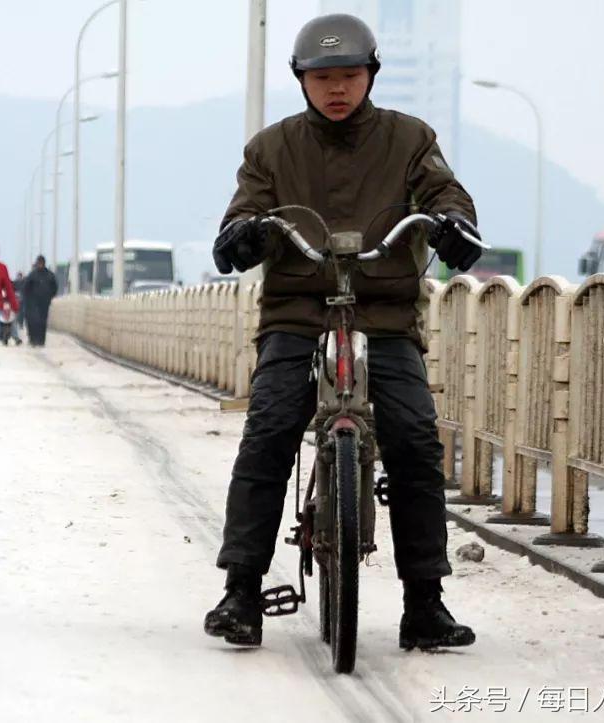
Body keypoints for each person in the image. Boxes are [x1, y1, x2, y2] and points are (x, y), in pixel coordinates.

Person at [204, 13, 482, 651]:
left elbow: (444, 192)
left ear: (371, 76)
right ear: (301, 81)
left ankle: (425, 603)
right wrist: (244, 231)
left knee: (415, 438)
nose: (336, 89)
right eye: (322, 77)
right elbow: (243, 210)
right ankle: (241, 589)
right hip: (297, 313)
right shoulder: (271, 149)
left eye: (349, 76)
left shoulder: (410, 139)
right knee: (270, 430)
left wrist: (451, 222)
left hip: (384, 314)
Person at [22, 255, 58, 347]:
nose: (40, 265)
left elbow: (54, 287)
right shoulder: (33, 275)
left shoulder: (49, 275)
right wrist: (28, 299)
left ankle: (41, 341)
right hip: (33, 303)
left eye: (41, 263)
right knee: (34, 321)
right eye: (39, 263)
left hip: (44, 303)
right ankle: (33, 340)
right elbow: (26, 288)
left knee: (42, 322)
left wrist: (50, 296)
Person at [11, 271, 26, 345]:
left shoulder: (23, 283)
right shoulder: (14, 283)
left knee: (19, 314)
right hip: (14, 302)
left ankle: (20, 324)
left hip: (20, 301)